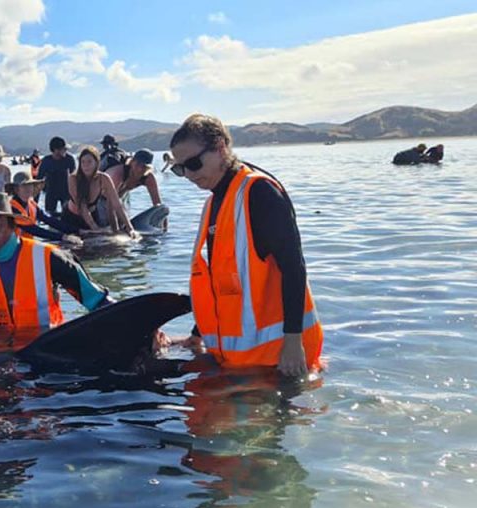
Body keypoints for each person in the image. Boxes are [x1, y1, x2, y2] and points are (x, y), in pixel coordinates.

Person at [166, 113, 323, 376]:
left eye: (193, 164)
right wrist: (197, 335)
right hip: (241, 364)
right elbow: (224, 283)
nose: (188, 175)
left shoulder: (260, 193)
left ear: (220, 148)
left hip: (281, 362)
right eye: (179, 169)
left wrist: (293, 343)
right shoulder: (216, 201)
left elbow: (294, 268)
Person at [0, 192, 111, 341]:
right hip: (1, 359)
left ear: (2, 225)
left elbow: (99, 302)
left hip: (51, 353)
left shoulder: (50, 257)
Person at [63, 146, 134, 235]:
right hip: (72, 218)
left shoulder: (104, 178)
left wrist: (130, 228)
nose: (86, 165)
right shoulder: (73, 179)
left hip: (93, 215)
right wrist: (95, 228)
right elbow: (82, 207)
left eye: (89, 162)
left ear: (96, 163)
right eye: (83, 162)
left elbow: (117, 204)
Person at [9, 172, 82, 246]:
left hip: (26, 244)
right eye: (24, 185)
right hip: (13, 247)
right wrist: (63, 237)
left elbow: (49, 219)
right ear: (16, 189)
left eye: (30, 185)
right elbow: (34, 230)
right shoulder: (12, 207)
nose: (28, 188)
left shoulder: (32, 204)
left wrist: (77, 230)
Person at [37, 136, 76, 216]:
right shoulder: (46, 161)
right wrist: (34, 202)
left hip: (66, 192)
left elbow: (75, 177)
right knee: (50, 215)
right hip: (51, 192)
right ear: (56, 150)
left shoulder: (69, 159)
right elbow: (39, 180)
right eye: (64, 149)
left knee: (68, 216)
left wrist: (75, 196)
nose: (66, 151)